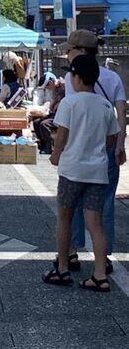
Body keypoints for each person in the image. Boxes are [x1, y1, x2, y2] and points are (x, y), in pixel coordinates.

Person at [43, 55, 119, 292]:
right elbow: (111, 137)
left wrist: (55, 156)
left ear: (76, 78)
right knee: (95, 223)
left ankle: (63, 268)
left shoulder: (70, 103)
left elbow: (62, 135)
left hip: (71, 170)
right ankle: (99, 274)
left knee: (65, 217)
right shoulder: (105, 106)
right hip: (97, 172)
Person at [61, 30, 127, 273]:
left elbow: (71, 117)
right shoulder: (113, 78)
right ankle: (104, 259)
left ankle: (72, 253)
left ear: (81, 51)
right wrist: (120, 145)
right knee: (105, 204)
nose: (67, 55)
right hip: (105, 150)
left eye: (70, 50)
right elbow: (121, 115)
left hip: (79, 150)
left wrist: (60, 151)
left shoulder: (73, 79)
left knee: (72, 204)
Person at [33, 73, 65, 154]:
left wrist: (60, 103)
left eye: (47, 86)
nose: (47, 88)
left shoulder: (64, 86)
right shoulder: (54, 89)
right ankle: (42, 144)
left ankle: (49, 146)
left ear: (51, 82)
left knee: (44, 124)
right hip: (55, 113)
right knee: (36, 122)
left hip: (63, 115)